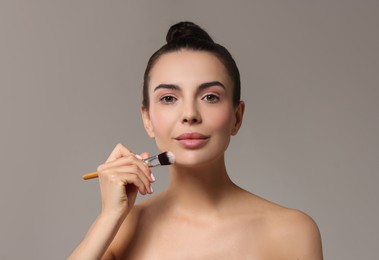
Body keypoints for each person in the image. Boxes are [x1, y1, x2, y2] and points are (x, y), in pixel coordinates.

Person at [69, 21, 323, 259]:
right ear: (147, 118)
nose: (190, 114)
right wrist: (109, 218)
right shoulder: (121, 230)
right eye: (169, 98)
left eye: (210, 97)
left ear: (237, 116)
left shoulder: (291, 231)